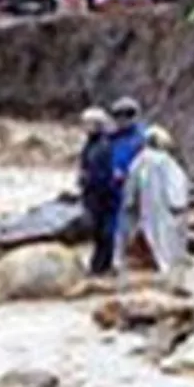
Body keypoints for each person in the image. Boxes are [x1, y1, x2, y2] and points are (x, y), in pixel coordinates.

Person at [122, 126, 191, 276]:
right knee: (167, 239)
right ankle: (167, 269)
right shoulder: (166, 161)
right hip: (164, 207)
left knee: (147, 234)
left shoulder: (140, 160)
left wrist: (129, 202)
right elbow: (178, 185)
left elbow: (130, 184)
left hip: (145, 207)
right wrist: (179, 204)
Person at [77, 107, 119, 277]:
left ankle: (102, 267)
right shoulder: (91, 144)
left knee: (104, 233)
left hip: (102, 197)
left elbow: (102, 174)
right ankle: (99, 266)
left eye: (88, 123)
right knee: (98, 233)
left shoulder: (103, 145)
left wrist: (88, 181)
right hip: (93, 195)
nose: (84, 127)